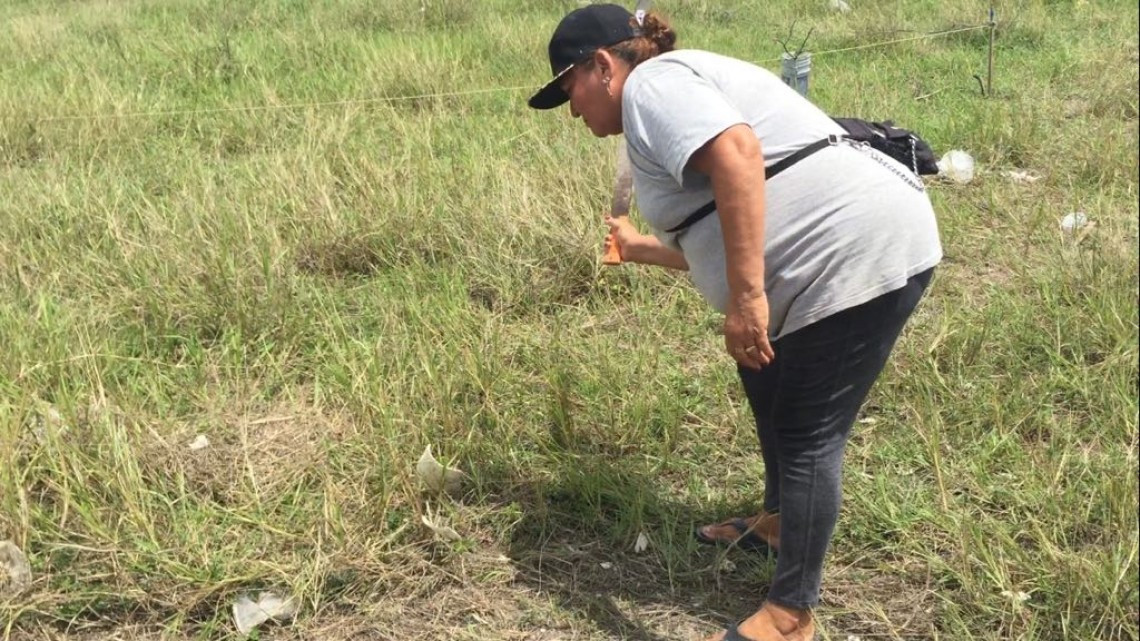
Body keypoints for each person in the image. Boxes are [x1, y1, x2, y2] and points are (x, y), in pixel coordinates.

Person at [527, 5, 942, 641]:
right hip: (834, 250)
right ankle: (780, 521)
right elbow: (721, 221)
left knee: (808, 429)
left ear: (602, 67)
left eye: (569, 90)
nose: (573, 110)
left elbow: (739, 156)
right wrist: (643, 249)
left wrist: (748, 299)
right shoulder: (661, 94)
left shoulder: (653, 87)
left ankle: (790, 615)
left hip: (852, 252)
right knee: (763, 375)